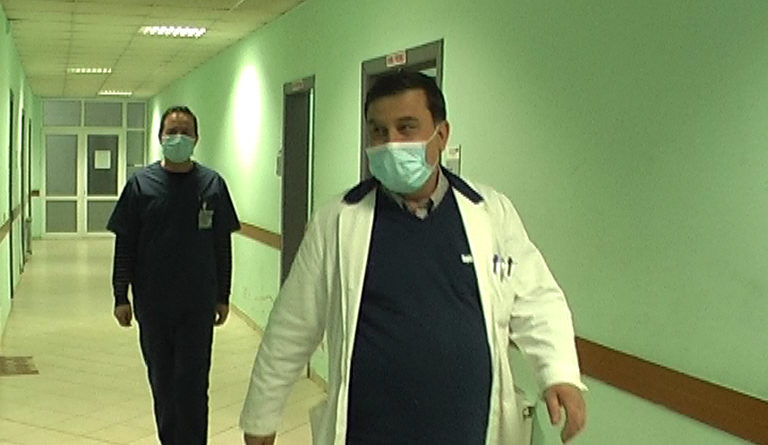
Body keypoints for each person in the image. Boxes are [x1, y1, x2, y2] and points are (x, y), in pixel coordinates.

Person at [239, 72, 586, 445]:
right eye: (378, 131)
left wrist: (559, 372)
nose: (391, 144)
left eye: (406, 128)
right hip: (369, 433)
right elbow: (292, 324)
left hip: (466, 432)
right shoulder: (337, 220)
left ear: (442, 134)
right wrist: (261, 415)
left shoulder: (490, 213)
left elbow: (536, 297)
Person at [107, 106, 240, 445]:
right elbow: (125, 245)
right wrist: (121, 296)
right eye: (172, 131)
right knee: (163, 383)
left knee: (193, 384)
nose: (178, 137)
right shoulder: (140, 186)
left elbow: (221, 246)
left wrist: (223, 296)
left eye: (185, 131)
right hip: (153, 305)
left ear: (196, 138)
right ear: (160, 137)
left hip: (197, 305)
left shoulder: (211, 185)